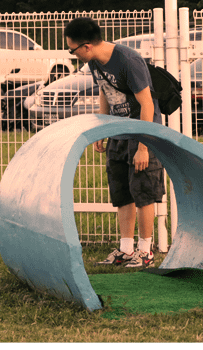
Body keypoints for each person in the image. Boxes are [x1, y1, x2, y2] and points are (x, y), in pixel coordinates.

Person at [64, 17, 164, 268]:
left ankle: (145, 251)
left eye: (72, 50)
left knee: (143, 192)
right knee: (122, 194)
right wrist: (103, 129)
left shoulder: (128, 60)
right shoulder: (95, 62)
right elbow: (104, 91)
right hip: (118, 134)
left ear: (86, 46)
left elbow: (147, 104)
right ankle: (125, 249)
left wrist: (143, 146)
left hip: (141, 133)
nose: (72, 54)